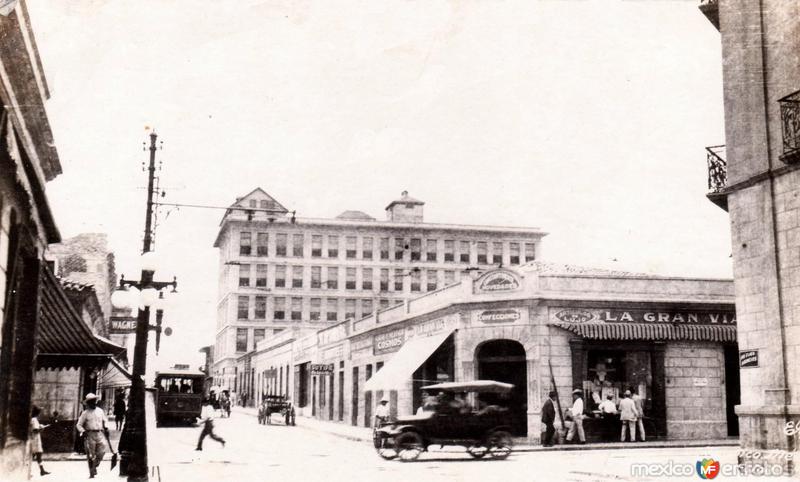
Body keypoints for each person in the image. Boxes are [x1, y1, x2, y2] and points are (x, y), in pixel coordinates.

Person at [76, 393, 109, 478]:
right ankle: (91, 472)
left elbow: (105, 421)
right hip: (90, 435)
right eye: (91, 402)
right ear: (88, 403)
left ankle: (95, 466)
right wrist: (83, 431)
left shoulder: (100, 411)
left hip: (100, 434)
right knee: (91, 455)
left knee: (102, 452)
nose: (93, 403)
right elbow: (78, 425)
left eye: (94, 401)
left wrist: (106, 427)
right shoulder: (85, 413)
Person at [30, 406, 50, 476]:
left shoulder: (32, 419)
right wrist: (41, 428)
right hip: (35, 440)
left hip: (34, 439)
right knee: (36, 455)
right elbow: (35, 429)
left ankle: (42, 470)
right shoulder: (34, 419)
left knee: (36, 456)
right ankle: (40, 470)